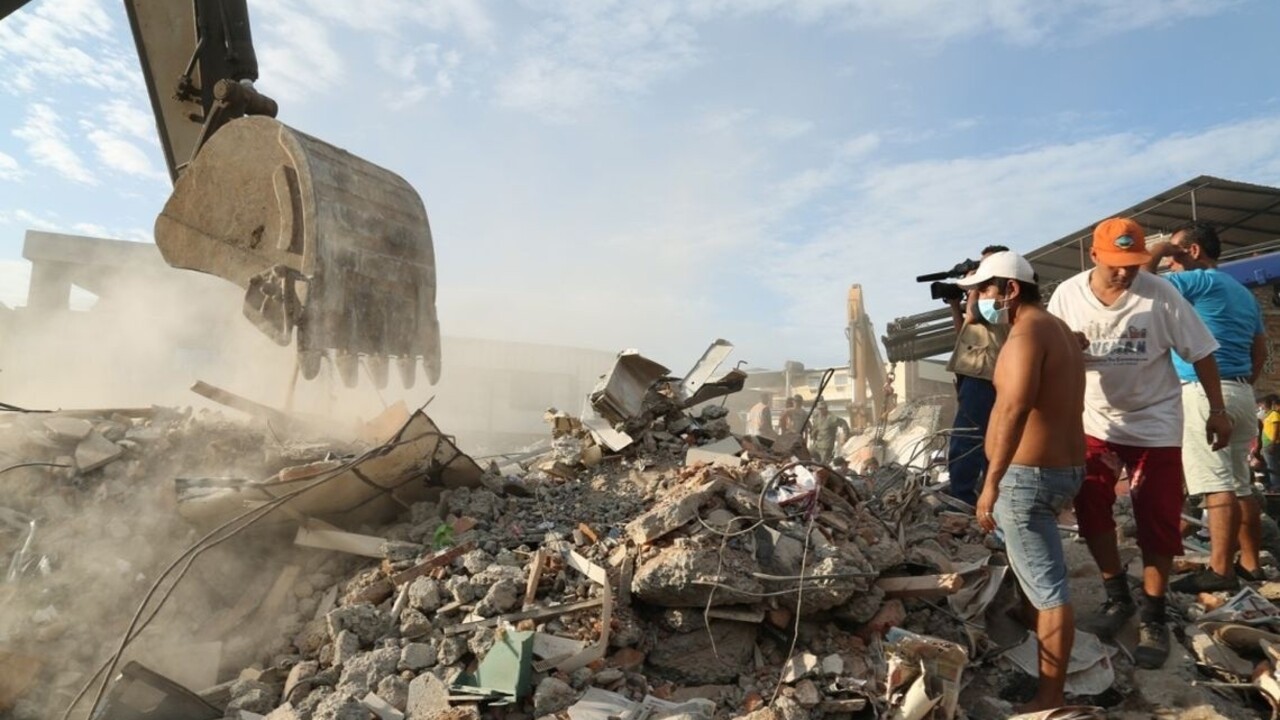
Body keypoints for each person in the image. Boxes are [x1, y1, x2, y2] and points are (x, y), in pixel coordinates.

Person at [1047, 217, 1230, 669]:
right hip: (1094, 423)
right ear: (1093, 256)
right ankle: (1116, 596)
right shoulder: (1067, 295)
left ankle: (1152, 612)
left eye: (1132, 264)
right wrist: (1067, 346)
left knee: (1158, 517)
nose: (1125, 273)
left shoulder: (1161, 293)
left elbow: (1202, 352)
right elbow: (1046, 354)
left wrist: (1218, 410)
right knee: (1091, 508)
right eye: (1115, 265)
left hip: (1156, 423)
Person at [965, 251, 1085, 713]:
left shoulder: (1026, 335)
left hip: (1027, 478)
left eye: (986, 290)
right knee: (1038, 572)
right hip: (1060, 472)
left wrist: (991, 486)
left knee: (1052, 591)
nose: (980, 299)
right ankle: (1029, 626)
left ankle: (1048, 698)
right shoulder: (1056, 331)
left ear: (1010, 290)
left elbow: (1014, 410)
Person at [1144, 222, 1267, 591]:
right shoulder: (1243, 293)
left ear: (1193, 252)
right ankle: (1249, 564)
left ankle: (1219, 571)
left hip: (1203, 392)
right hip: (1241, 391)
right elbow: (1260, 350)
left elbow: (1141, 282)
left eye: (1177, 258)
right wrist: (1240, 382)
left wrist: (1161, 248)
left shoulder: (1199, 281)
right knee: (1241, 485)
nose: (1172, 266)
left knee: (1216, 486)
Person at [944, 245, 1011, 506]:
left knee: (968, 436)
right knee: (982, 436)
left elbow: (973, 313)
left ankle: (962, 495)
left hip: (985, 376)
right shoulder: (986, 295)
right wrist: (953, 306)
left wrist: (972, 285)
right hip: (971, 373)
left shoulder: (999, 296)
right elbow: (965, 330)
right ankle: (981, 493)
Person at [1261, 394, 1280, 490]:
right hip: (1266, 444)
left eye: (1263, 404)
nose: (1262, 407)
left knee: (1273, 466)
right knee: (1270, 466)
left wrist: (1273, 443)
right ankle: (1273, 484)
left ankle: (1276, 486)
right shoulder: (1268, 415)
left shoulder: (1274, 414)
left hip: (1271, 444)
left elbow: (1276, 429)